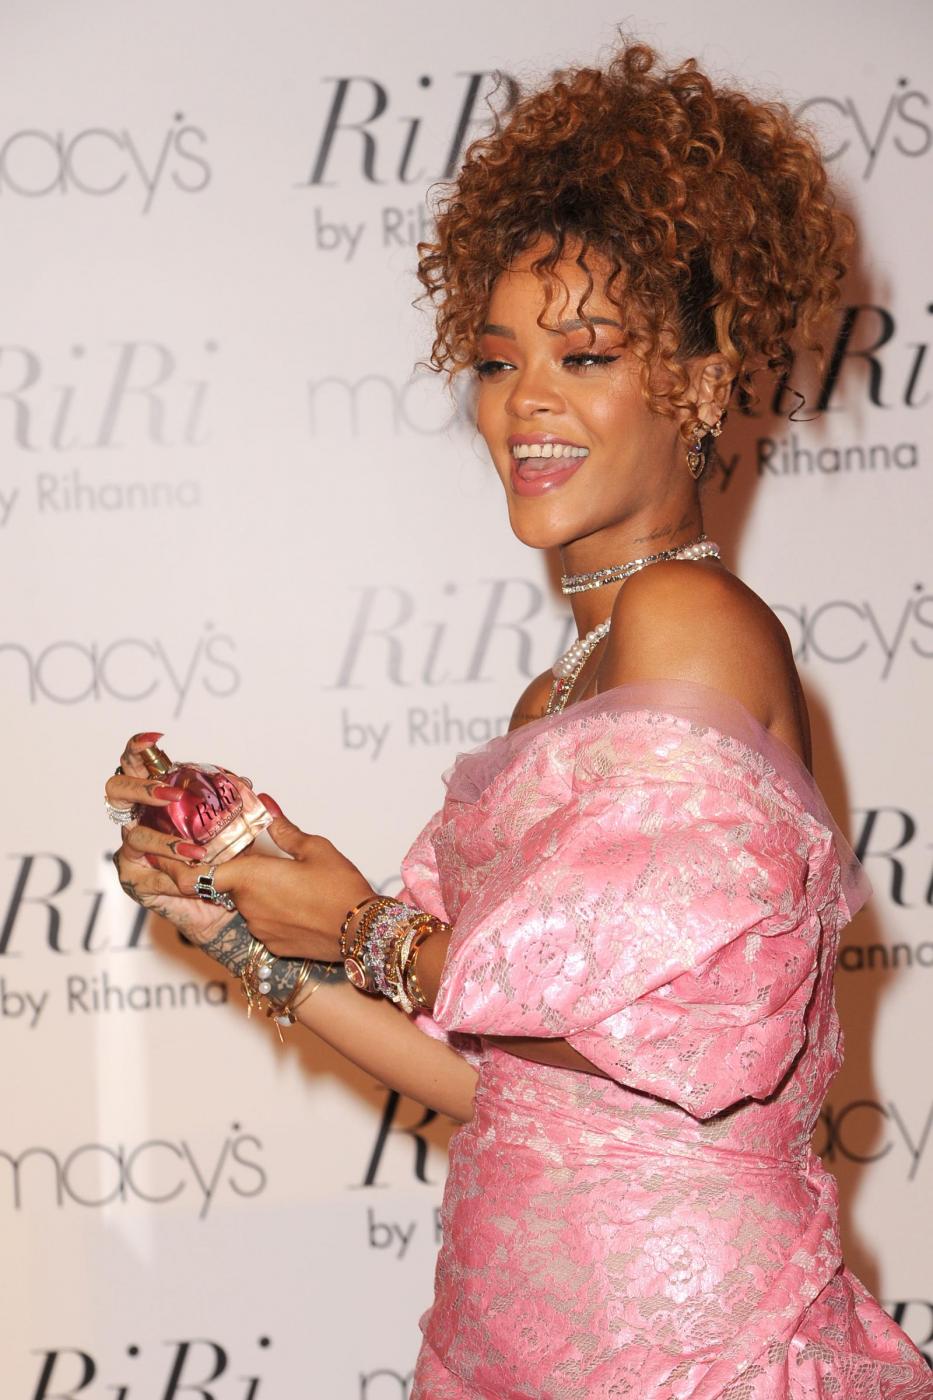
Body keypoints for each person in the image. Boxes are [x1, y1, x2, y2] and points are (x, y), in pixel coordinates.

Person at [104, 42, 932, 1400]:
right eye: (497, 362)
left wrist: (358, 924)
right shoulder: (561, 689)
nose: (525, 403)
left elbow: (661, 1026)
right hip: (521, 1338)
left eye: (584, 355)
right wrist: (250, 934)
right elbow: (506, 1085)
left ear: (701, 380)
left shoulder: (686, 617)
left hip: (685, 1351)